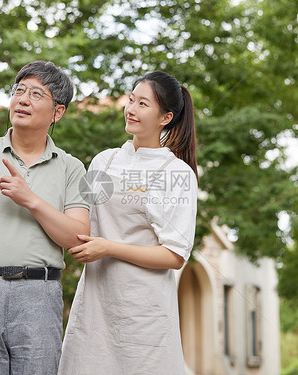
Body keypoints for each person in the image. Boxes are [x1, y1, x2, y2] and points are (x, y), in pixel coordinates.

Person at [0, 60, 90, 375]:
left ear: (57, 113)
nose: (23, 99)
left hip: (40, 292)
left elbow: (78, 238)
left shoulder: (71, 167)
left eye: (37, 94)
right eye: (19, 91)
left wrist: (31, 200)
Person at [59, 71, 198, 374]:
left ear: (166, 117)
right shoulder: (103, 161)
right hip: (96, 304)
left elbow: (174, 255)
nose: (131, 109)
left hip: (144, 314)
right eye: (131, 99)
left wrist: (108, 248)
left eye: (143, 104)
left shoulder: (176, 173)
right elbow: (79, 222)